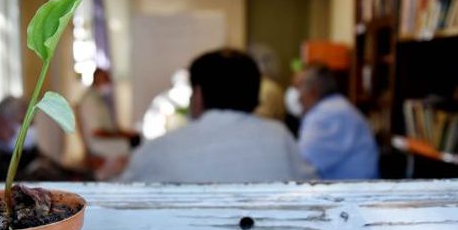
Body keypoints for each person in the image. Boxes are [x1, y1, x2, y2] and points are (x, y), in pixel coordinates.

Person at [119, 49, 315, 183]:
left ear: (198, 95)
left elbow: (119, 197)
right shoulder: (279, 136)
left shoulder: (160, 149)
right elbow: (313, 186)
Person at [297, 65, 379, 179]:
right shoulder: (338, 107)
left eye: (298, 88)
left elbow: (302, 166)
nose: (297, 97)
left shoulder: (324, 116)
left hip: (349, 192)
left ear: (313, 92)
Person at [76, 68, 139, 169]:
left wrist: (123, 133)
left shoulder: (98, 97)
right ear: (98, 78)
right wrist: (121, 135)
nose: (109, 81)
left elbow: (108, 126)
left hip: (103, 139)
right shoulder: (90, 100)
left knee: (136, 139)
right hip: (98, 143)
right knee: (131, 145)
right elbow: (97, 132)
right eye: (106, 78)